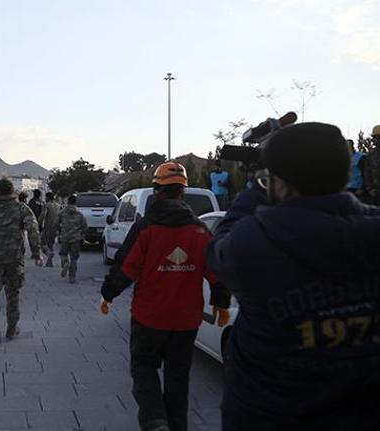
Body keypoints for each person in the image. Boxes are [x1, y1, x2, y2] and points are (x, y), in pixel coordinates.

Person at [207, 123, 380, 430]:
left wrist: (255, 187)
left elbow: (220, 246)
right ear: (344, 176)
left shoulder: (253, 241)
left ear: (280, 184)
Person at [100, 161, 230, 431]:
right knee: (178, 380)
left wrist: (108, 294)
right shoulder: (199, 231)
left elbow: (126, 267)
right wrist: (221, 301)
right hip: (186, 321)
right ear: (182, 192)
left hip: (150, 317)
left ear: (157, 191)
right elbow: (217, 271)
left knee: (144, 368)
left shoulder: (146, 229)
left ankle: (155, 420)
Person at [0, 179, 42, 351]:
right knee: (13, 295)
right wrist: (36, 252)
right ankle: (11, 329)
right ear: (13, 192)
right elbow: (33, 229)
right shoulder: (21, 209)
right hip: (14, 259)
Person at [57, 195, 87, 284]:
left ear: (67, 202)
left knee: (63, 254)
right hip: (76, 239)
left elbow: (56, 224)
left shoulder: (61, 213)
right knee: (74, 259)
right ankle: (72, 277)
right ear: (75, 202)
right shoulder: (80, 214)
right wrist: (82, 235)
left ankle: (65, 262)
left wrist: (60, 232)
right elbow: (85, 227)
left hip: (64, 238)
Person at [39, 192, 60, 267]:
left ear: (48, 197)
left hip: (47, 228)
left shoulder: (47, 205)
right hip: (55, 228)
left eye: (46, 197)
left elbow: (43, 215)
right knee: (50, 245)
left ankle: (49, 254)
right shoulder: (58, 205)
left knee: (42, 244)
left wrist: (39, 223)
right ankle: (49, 263)